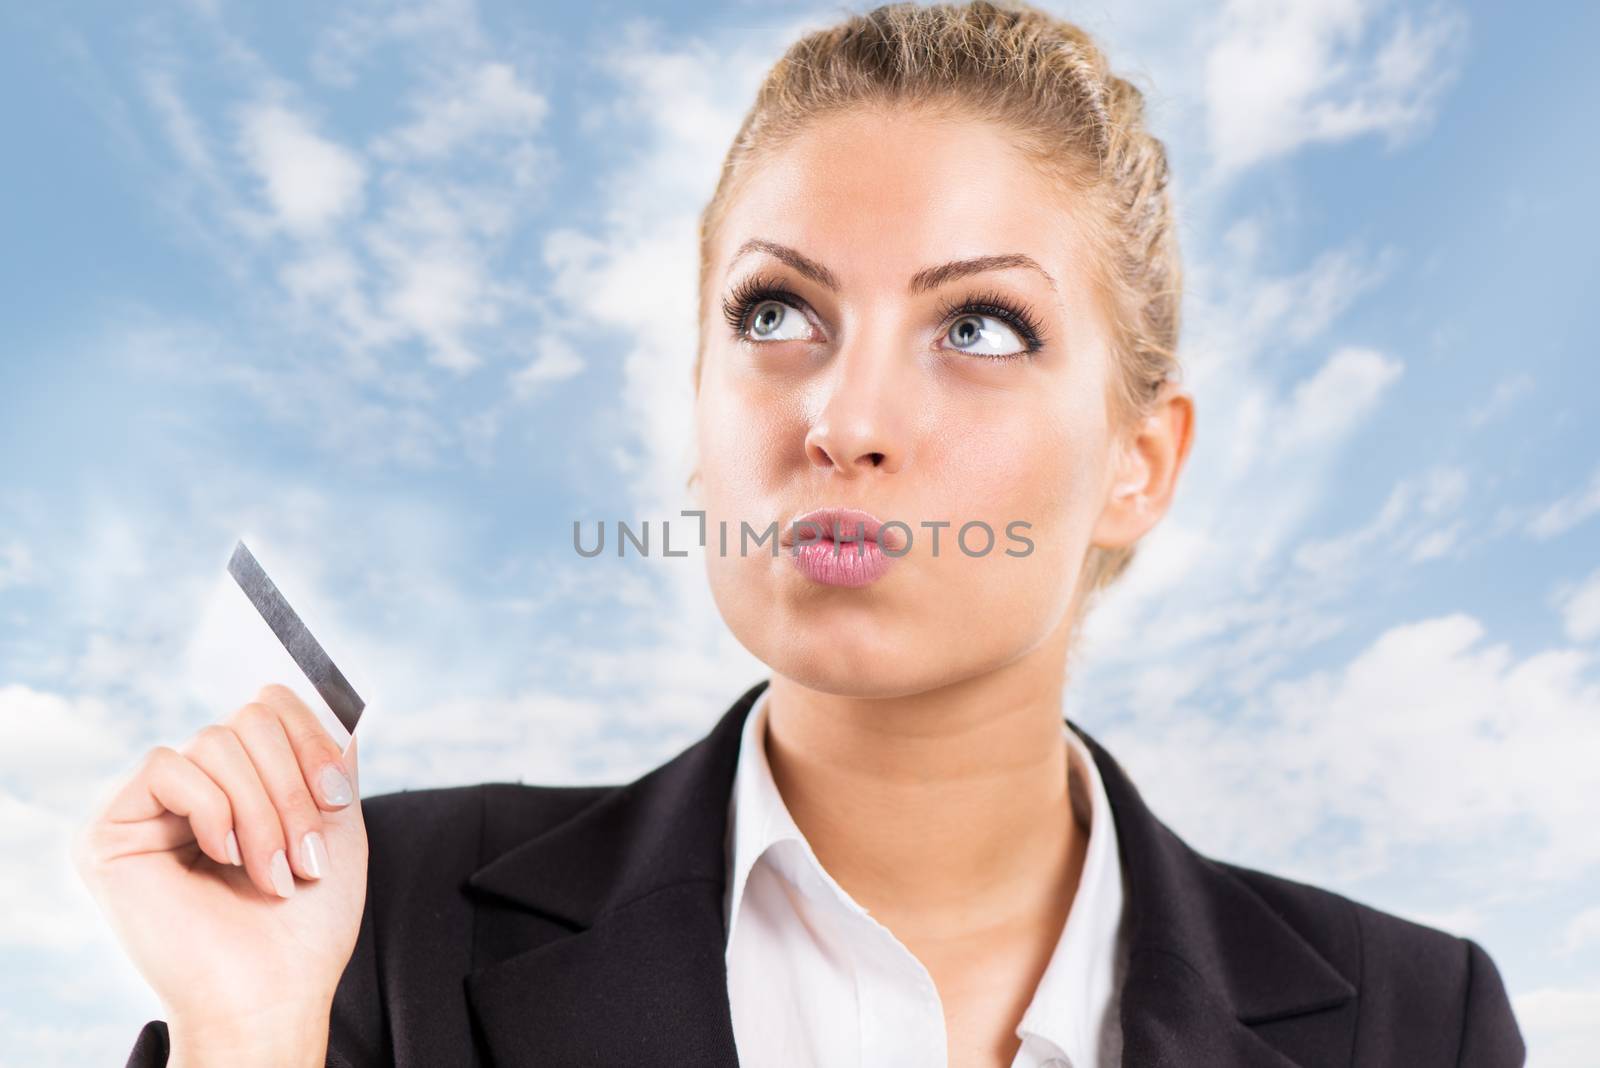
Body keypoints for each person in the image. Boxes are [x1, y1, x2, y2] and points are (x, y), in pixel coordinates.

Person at [77, 2, 1526, 1065]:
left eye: (979, 325)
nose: (844, 417)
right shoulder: (370, 942)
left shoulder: (1412, 1025)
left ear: (1139, 465)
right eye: (777, 315)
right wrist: (250, 1029)